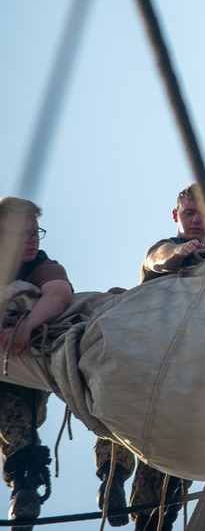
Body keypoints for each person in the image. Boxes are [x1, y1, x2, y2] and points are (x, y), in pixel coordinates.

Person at [95, 183, 205, 530]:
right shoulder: (168, 248)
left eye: (203, 216)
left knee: (163, 473)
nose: (196, 221)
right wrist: (182, 253)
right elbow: (158, 259)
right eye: (189, 213)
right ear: (176, 216)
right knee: (120, 418)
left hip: (184, 372)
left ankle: (151, 515)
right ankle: (112, 481)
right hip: (147, 356)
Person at [0, 197, 73, 530]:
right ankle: (23, 483)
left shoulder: (41, 264)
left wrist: (26, 327)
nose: (32, 241)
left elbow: (58, 293)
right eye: (22, 234)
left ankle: (25, 486)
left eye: (36, 233)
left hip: (22, 358)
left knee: (24, 416)